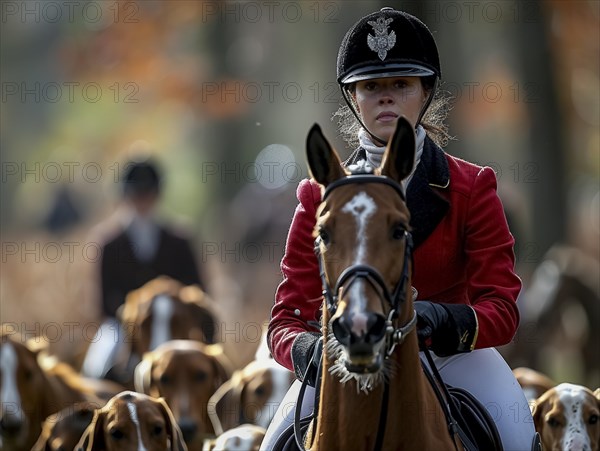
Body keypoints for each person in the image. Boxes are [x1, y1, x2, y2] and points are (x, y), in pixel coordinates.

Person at [263, 8, 538, 451]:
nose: (386, 98)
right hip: (344, 357)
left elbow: (502, 308)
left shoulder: (470, 187)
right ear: (353, 97)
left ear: (425, 91)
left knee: (517, 435)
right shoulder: (318, 198)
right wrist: (309, 352)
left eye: (401, 85)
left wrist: (440, 319)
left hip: (451, 356)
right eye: (372, 87)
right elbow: (286, 318)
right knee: (271, 443)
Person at [81, 158, 204, 379]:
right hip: (124, 326)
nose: (143, 199)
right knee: (96, 365)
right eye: (137, 193)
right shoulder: (110, 243)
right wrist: (134, 318)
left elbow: (196, 288)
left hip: (174, 322)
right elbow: (105, 300)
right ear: (125, 195)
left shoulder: (179, 240)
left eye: (148, 192)